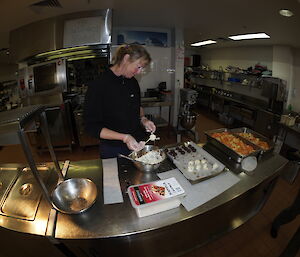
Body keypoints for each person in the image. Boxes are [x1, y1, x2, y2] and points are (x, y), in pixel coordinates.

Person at [84, 44, 156, 159]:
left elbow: (138, 107)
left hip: (137, 142)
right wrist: (125, 137)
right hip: (112, 148)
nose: (139, 72)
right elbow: (92, 127)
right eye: (138, 67)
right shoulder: (99, 85)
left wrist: (143, 119)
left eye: (141, 68)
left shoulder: (133, 83)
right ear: (126, 58)